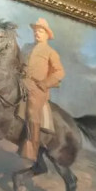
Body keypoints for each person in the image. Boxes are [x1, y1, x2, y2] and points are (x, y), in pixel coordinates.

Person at [19, 17, 65, 161]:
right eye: (35, 31)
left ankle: (31, 148)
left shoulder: (51, 52)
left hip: (37, 88)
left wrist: (44, 84)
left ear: (47, 34)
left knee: (32, 111)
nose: (37, 33)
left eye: (40, 31)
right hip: (20, 80)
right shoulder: (26, 47)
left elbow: (59, 72)